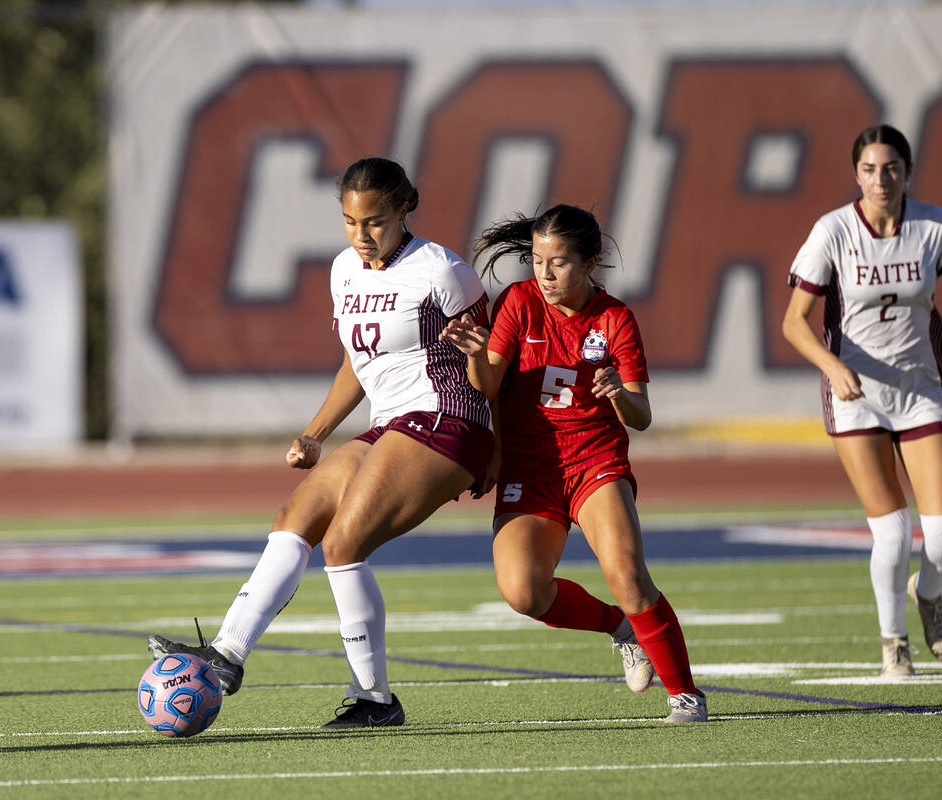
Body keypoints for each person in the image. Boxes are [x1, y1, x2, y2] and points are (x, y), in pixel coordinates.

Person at [148, 156, 495, 727]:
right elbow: (356, 366)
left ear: (405, 208)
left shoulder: (443, 271)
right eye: (350, 222)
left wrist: (496, 452)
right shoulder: (343, 270)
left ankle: (376, 701)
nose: (362, 235)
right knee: (296, 516)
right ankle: (227, 654)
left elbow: (491, 372)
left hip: (447, 421)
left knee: (343, 544)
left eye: (376, 221)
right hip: (390, 426)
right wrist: (314, 436)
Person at [441, 204, 707, 722]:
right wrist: (476, 355)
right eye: (537, 260)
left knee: (628, 575)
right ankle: (620, 628)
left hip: (594, 460)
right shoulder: (518, 302)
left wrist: (616, 394)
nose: (544, 273)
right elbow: (487, 386)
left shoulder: (614, 318)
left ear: (591, 263)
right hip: (529, 467)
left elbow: (641, 415)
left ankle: (686, 695)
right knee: (523, 591)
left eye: (558, 262)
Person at [781, 124, 942, 677]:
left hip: (919, 389)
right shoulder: (834, 231)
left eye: (890, 168)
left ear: (907, 172)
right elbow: (794, 323)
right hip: (857, 395)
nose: (880, 179)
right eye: (868, 169)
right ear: (856, 175)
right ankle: (894, 643)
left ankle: (929, 595)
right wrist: (832, 365)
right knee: (892, 531)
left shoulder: (933, 225)